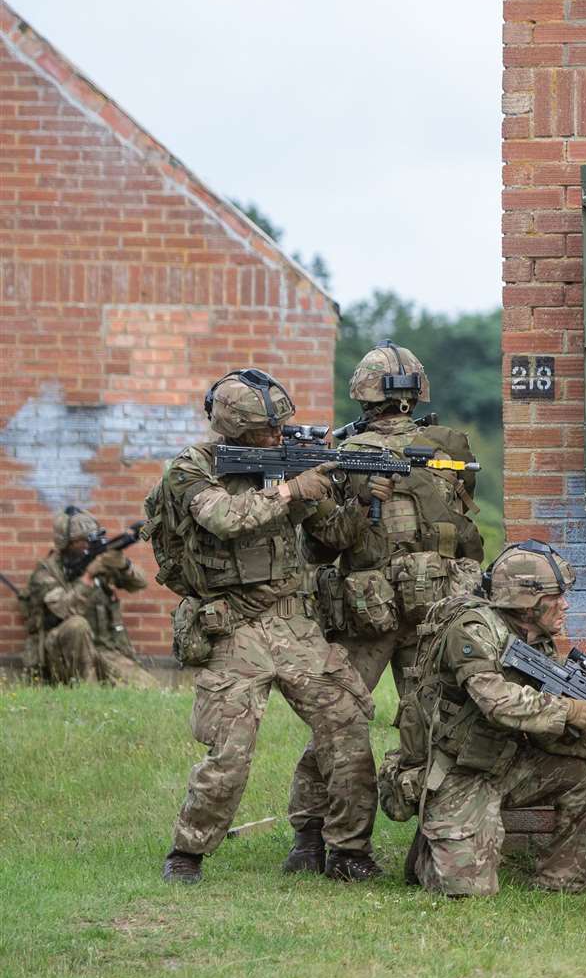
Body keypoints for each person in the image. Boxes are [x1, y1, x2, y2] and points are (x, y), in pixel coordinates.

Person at [156, 368, 380, 885]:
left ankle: (345, 849)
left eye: (281, 428)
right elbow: (224, 518)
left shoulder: (283, 465)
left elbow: (333, 534)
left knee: (346, 726)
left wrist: (362, 497)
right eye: (267, 431)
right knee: (231, 751)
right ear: (234, 428)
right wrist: (289, 489)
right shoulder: (192, 468)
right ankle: (187, 853)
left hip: (294, 622)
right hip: (232, 626)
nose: (278, 438)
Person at [282, 340, 483, 874]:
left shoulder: (354, 456)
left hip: (374, 616)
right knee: (433, 725)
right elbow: (466, 535)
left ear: (363, 393)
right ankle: (429, 843)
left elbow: (321, 547)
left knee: (339, 723)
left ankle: (311, 838)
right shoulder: (446, 448)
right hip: (426, 612)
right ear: (416, 392)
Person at [407, 540, 586, 897]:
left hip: (505, 762)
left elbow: (542, 730)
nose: (565, 604)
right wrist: (569, 710)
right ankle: (430, 846)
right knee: (469, 893)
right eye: (555, 597)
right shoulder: (472, 629)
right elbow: (495, 701)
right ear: (527, 602)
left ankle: (560, 881)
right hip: (456, 772)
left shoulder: (537, 642)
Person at [23, 506, 158, 688]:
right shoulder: (45, 574)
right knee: (77, 625)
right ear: (65, 543)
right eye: (82, 540)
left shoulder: (98, 560)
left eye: (92, 537)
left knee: (149, 689)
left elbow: (140, 583)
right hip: (62, 655)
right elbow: (63, 610)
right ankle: (87, 692)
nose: (89, 544)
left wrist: (123, 565)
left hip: (103, 650)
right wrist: (88, 577)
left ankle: (103, 684)